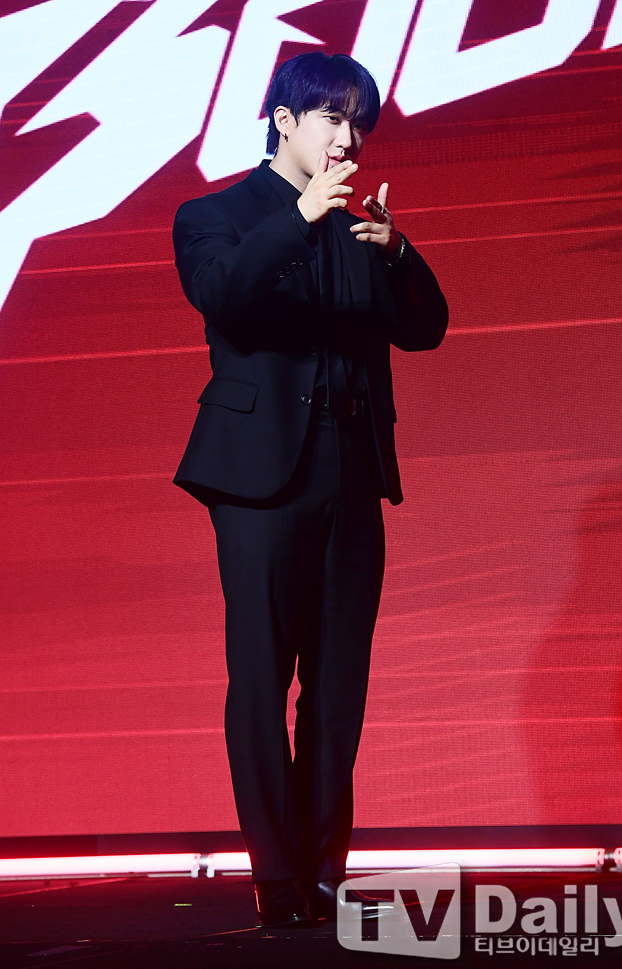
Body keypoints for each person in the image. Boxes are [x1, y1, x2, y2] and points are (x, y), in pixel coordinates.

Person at [172, 51, 448, 927]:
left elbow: (427, 329)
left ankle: (325, 867)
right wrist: (299, 216)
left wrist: (397, 251)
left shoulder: (358, 230)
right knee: (261, 675)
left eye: (359, 122)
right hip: (258, 477)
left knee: (338, 683)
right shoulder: (216, 215)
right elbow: (223, 293)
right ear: (285, 121)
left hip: (352, 468)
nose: (349, 137)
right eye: (333, 117)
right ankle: (274, 871)